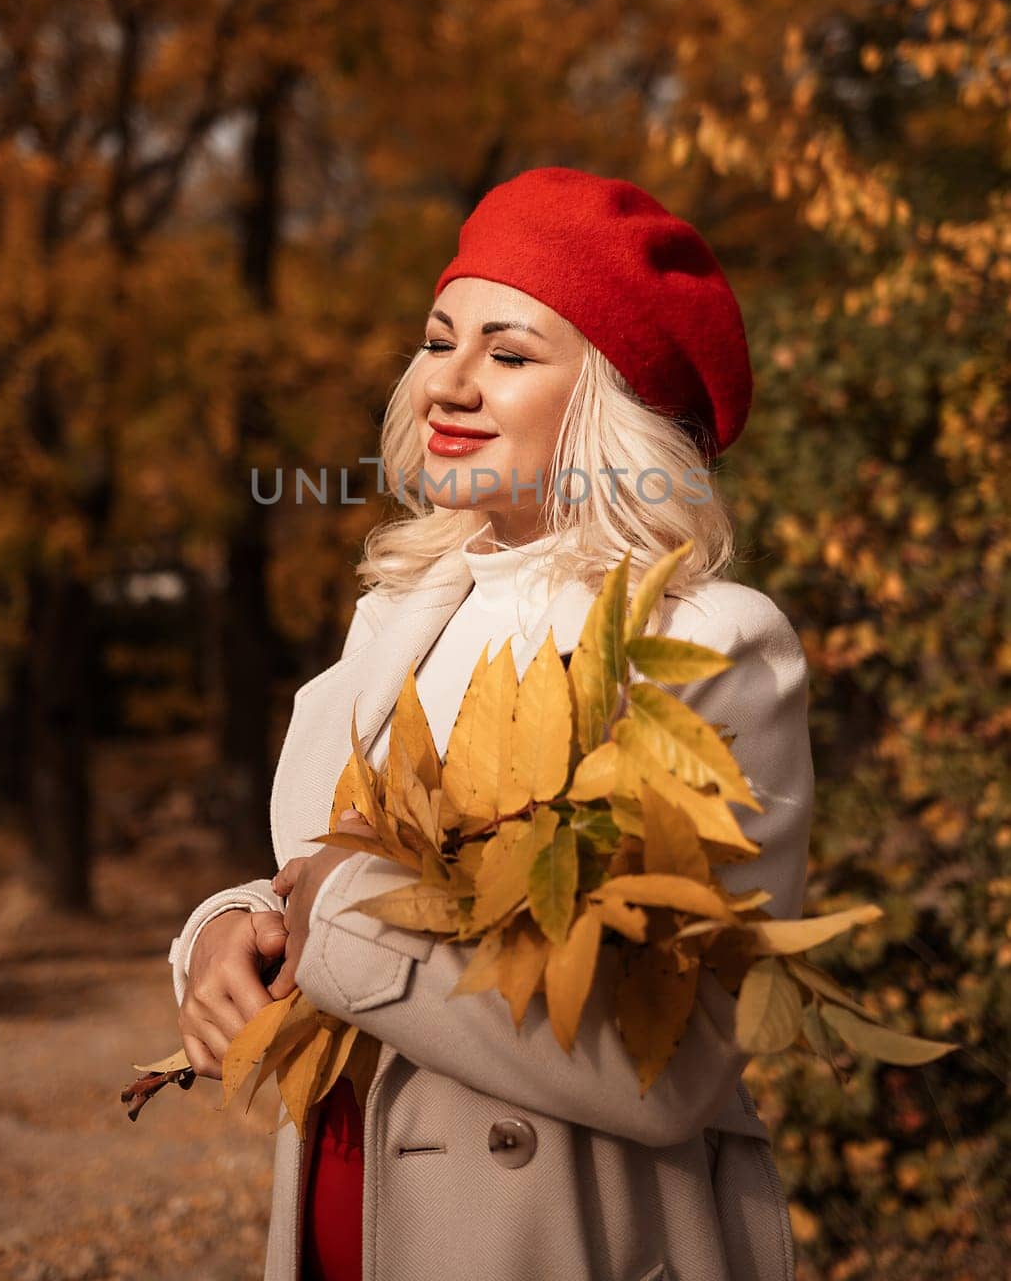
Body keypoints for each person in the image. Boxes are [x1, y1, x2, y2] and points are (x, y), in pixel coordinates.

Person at [169, 166, 814, 1281]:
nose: (445, 387)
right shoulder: (398, 613)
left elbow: (667, 1058)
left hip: (573, 1240)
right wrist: (230, 927)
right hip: (345, 1219)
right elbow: (315, 874)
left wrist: (341, 934)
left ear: (610, 403)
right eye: (437, 341)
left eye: (508, 354)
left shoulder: (700, 642)